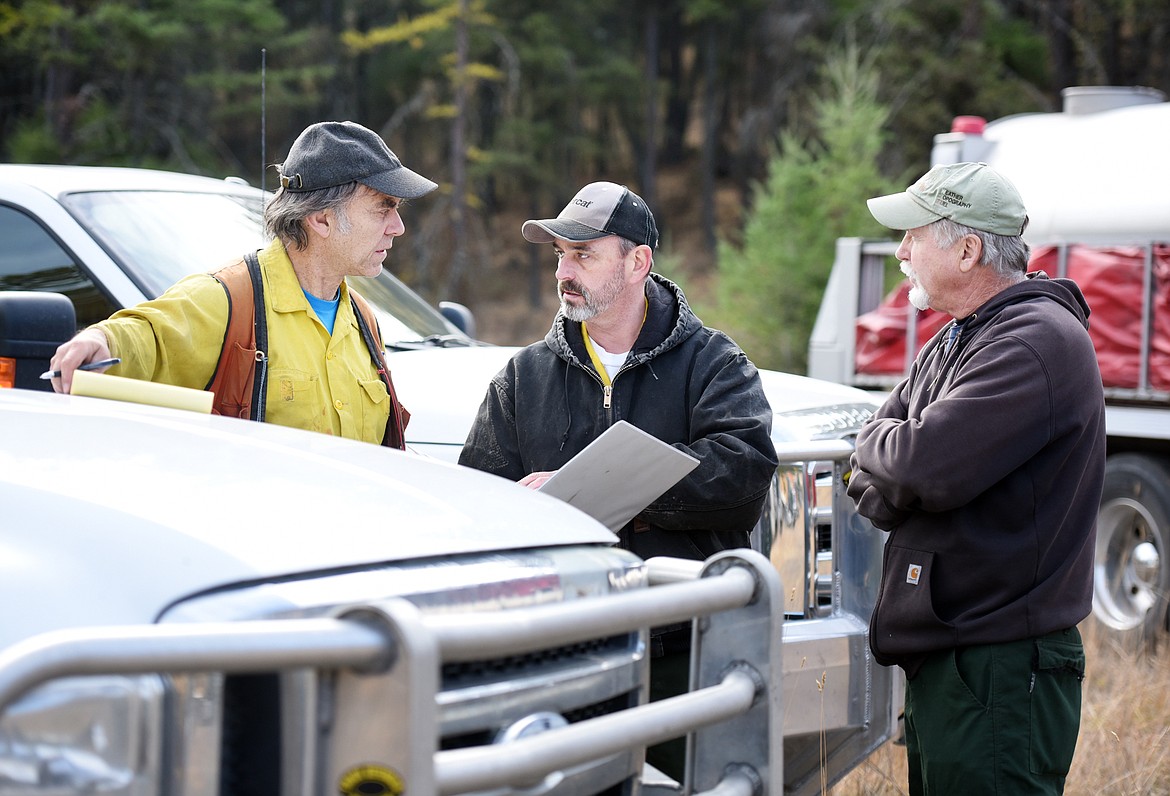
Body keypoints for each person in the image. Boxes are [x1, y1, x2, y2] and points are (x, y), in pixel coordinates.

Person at [458, 180, 778, 779]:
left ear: (639, 262)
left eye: (584, 254)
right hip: (562, 650)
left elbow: (743, 473)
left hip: (684, 642)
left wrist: (614, 491)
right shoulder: (522, 378)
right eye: (559, 254)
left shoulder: (714, 363)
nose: (564, 271)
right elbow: (478, 496)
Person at [846, 162, 1106, 795]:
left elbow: (915, 464)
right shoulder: (961, 337)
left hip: (1001, 667)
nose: (901, 252)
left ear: (965, 250)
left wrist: (890, 454)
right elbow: (883, 464)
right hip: (962, 659)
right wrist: (892, 456)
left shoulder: (1036, 342)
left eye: (914, 235)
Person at [48, 120, 436, 447]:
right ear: (320, 219)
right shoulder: (229, 299)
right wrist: (99, 342)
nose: (397, 227)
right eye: (383, 207)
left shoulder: (363, 322)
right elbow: (147, 337)